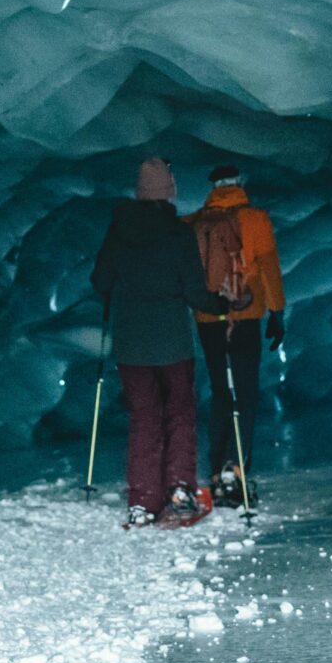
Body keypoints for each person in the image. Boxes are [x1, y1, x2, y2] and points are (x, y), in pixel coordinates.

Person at [92, 157, 230, 525]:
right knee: (180, 413)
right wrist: (221, 305)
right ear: (168, 191)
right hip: (172, 340)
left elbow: (100, 281)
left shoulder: (118, 231)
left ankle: (142, 501)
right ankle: (180, 491)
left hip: (132, 342)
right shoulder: (177, 233)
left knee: (143, 417)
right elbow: (194, 291)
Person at [188, 163, 286, 505]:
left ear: (214, 187)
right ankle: (236, 471)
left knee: (220, 392)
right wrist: (277, 312)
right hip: (245, 314)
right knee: (244, 393)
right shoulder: (255, 218)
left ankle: (217, 473)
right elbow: (269, 265)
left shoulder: (194, 223)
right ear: (239, 183)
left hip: (208, 317)